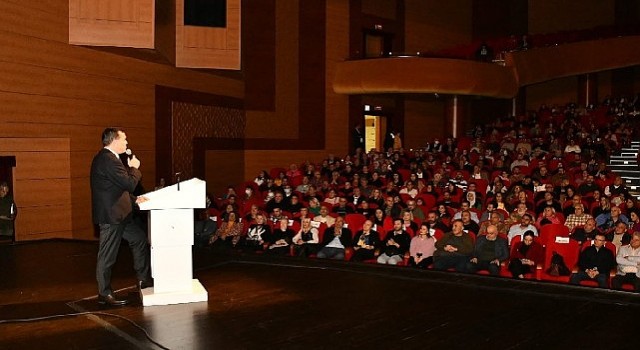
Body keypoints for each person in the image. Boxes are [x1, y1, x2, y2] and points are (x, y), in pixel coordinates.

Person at [90, 128, 151, 306]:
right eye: (124, 139)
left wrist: (134, 199)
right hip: (112, 217)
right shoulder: (107, 160)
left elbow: (116, 189)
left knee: (139, 239)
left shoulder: (110, 159)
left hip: (121, 215)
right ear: (114, 141)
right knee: (107, 255)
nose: (126, 143)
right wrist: (134, 168)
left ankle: (143, 280)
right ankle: (104, 294)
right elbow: (129, 183)